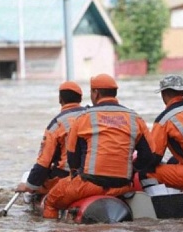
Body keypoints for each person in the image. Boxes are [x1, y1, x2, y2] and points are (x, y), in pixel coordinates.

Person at [41, 73, 156, 219]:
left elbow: (72, 158)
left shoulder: (84, 117)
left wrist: (78, 174)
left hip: (89, 185)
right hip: (123, 185)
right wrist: (133, 169)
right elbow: (149, 155)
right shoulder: (135, 118)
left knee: (51, 202)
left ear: (96, 93)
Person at [16, 81, 85, 194]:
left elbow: (44, 162)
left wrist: (30, 185)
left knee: (37, 186)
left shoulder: (56, 124)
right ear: (80, 99)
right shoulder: (92, 116)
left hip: (66, 176)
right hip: (91, 173)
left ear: (60, 99)